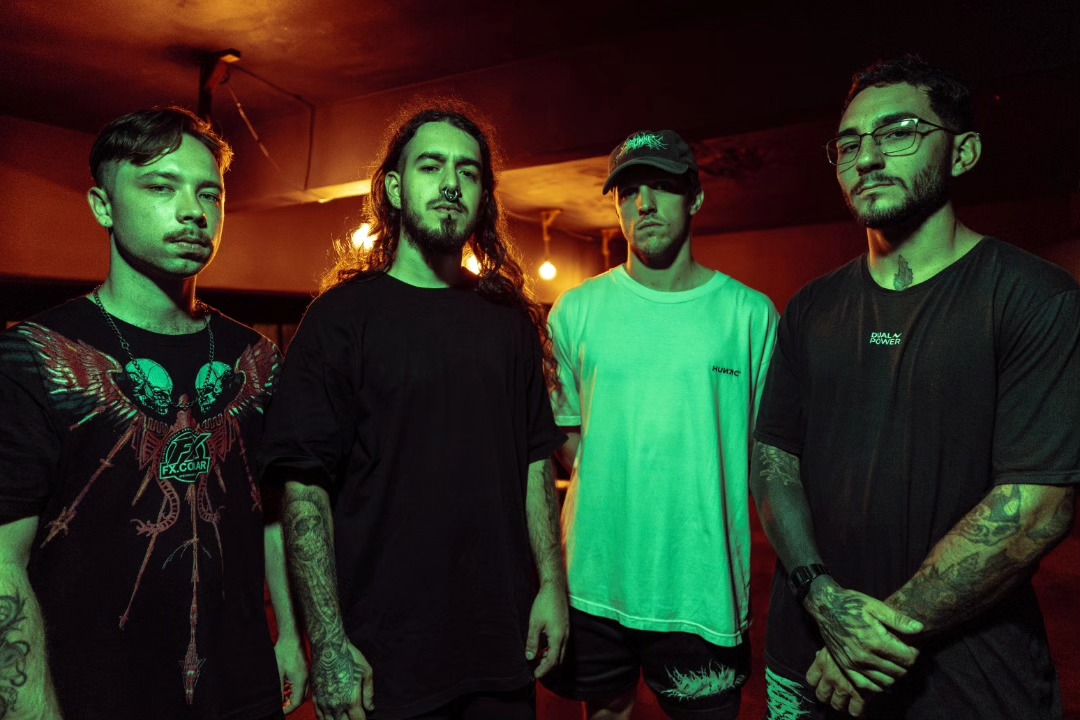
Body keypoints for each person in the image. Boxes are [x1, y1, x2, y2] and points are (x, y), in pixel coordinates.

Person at [751, 55, 1079, 720]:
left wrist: (867, 640)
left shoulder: (1034, 298)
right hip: (807, 660)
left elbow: (1038, 506)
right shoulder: (811, 308)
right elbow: (773, 458)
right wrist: (822, 599)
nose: (867, 157)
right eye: (849, 144)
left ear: (963, 152)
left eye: (898, 132)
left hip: (962, 683)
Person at [260, 104, 568, 720]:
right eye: (431, 166)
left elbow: (536, 461)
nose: (451, 183)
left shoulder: (507, 320)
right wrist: (327, 643)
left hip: (499, 646)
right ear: (396, 189)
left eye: (468, 172)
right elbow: (303, 490)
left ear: (483, 198)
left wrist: (552, 587)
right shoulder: (340, 320)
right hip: (385, 660)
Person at [0, 107, 306, 719]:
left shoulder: (255, 356)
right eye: (161, 187)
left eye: (209, 193)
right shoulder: (33, 353)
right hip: (93, 694)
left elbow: (270, 512)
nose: (193, 211)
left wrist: (291, 638)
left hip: (241, 687)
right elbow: (3, 556)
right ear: (103, 206)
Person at [541, 129, 778, 720]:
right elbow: (567, 438)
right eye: (628, 192)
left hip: (703, 588)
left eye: (662, 187)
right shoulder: (576, 310)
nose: (643, 204)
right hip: (594, 580)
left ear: (695, 197)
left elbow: (768, 455)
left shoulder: (749, 315)